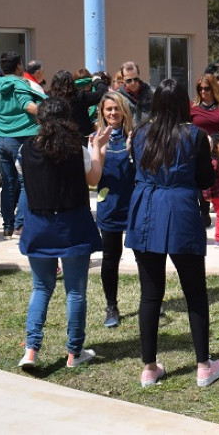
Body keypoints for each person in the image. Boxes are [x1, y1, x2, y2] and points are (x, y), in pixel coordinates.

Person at [127, 79, 219, 389]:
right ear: (184, 103)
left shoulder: (141, 132)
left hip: (145, 208)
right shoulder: (194, 136)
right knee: (194, 291)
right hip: (180, 208)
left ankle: (149, 367)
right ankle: (202, 366)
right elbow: (205, 178)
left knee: (150, 294)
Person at [16, 98, 105, 371]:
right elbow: (94, 179)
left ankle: (31, 350)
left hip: (39, 224)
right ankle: (74, 351)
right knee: (75, 292)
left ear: (39, 120)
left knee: (41, 288)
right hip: (72, 224)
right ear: (68, 119)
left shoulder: (25, 149)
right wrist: (98, 149)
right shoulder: (78, 150)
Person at [0, 51, 45, 239]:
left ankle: (7, 226)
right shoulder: (21, 84)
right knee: (25, 182)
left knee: (8, 183)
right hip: (23, 140)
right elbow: (27, 104)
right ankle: (20, 223)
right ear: (19, 66)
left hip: (1, 141)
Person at [91, 92, 135, 328]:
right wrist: (99, 148)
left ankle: (152, 302)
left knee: (145, 257)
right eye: (108, 109)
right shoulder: (96, 138)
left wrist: (133, 150)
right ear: (102, 112)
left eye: (117, 109)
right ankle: (111, 305)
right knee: (110, 258)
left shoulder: (135, 136)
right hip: (109, 205)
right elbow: (91, 178)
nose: (113, 113)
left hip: (134, 205)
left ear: (124, 111)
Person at [117, 61, 155, 126]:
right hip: (128, 134)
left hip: (149, 132)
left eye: (136, 79)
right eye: (128, 80)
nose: (133, 83)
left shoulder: (152, 92)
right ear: (123, 80)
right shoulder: (118, 97)